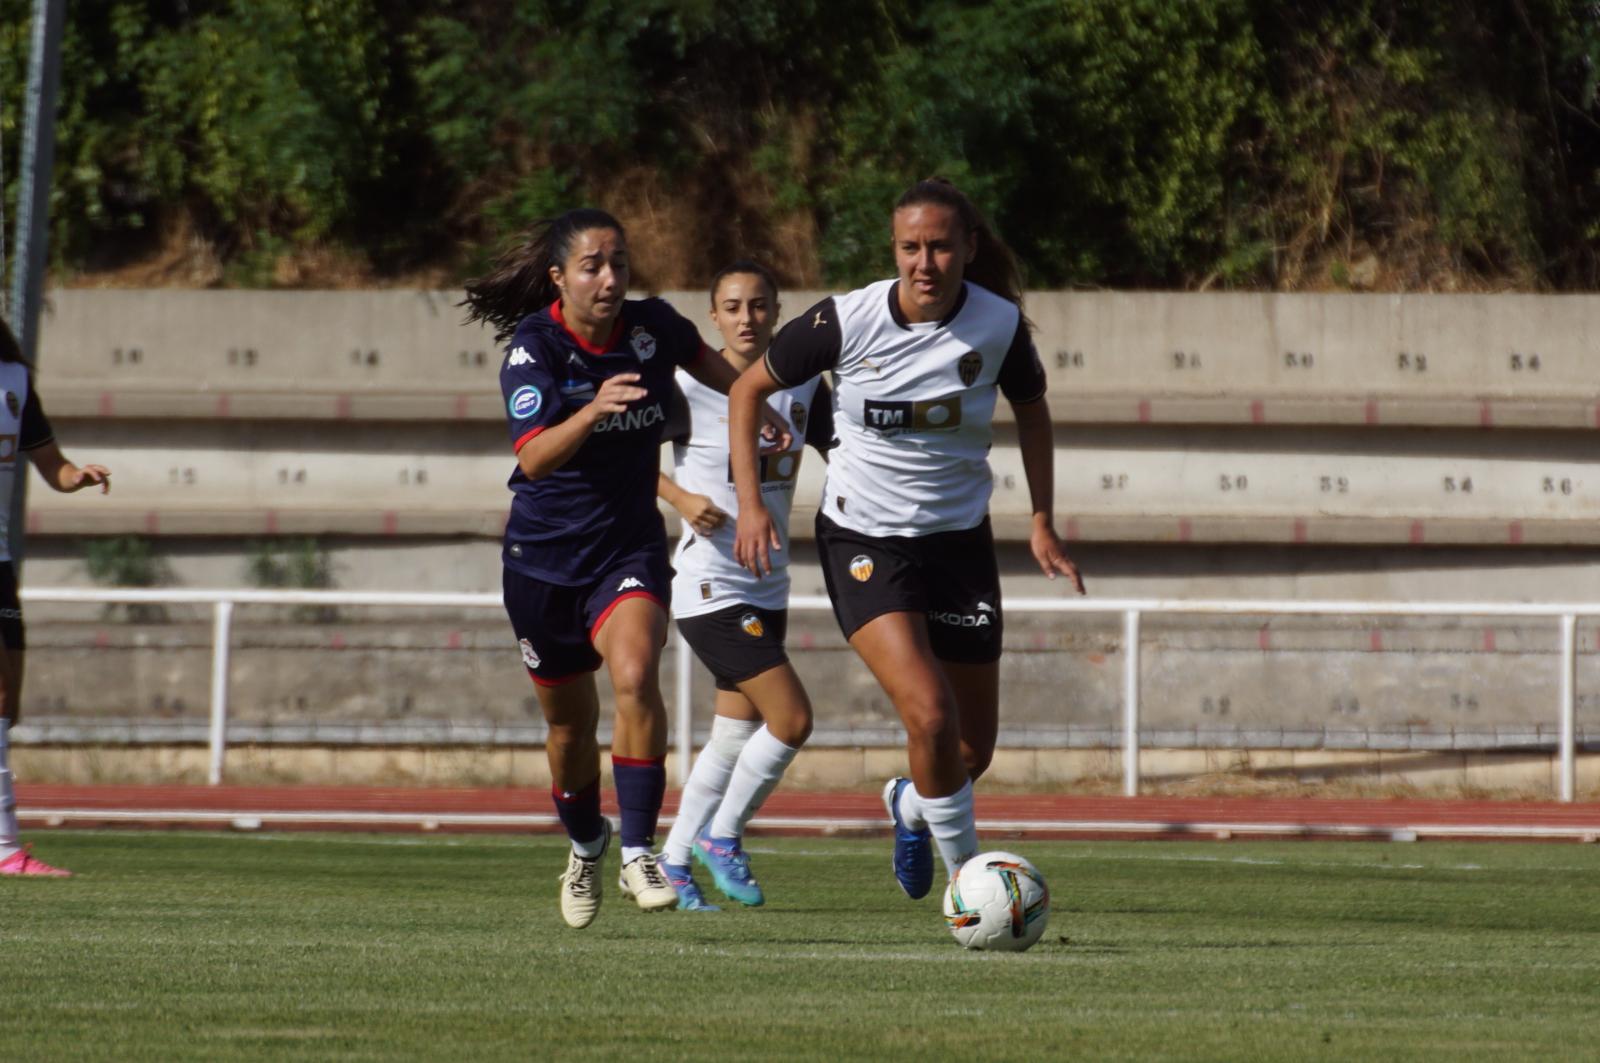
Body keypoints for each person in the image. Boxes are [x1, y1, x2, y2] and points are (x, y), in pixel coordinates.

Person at [729, 178, 1084, 901]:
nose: (925, 262)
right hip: (865, 538)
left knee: (966, 751)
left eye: (941, 245)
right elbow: (745, 391)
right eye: (910, 247)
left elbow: (1034, 411)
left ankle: (909, 805)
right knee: (928, 710)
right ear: (894, 251)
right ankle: (974, 890)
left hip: (959, 544)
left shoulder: (998, 324)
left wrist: (1041, 517)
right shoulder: (844, 321)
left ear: (969, 248)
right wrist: (750, 505)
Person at [462, 209, 787, 929]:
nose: (609, 279)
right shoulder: (535, 348)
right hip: (543, 563)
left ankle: (640, 848)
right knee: (570, 732)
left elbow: (726, 375)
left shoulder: (655, 329)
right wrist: (592, 411)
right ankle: (586, 847)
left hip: (627, 549)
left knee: (637, 674)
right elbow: (533, 456)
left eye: (619, 263)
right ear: (559, 277)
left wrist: (755, 406)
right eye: (591, 266)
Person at [655, 261, 832, 910]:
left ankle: (675, 859)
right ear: (714, 317)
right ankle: (722, 835)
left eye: (759, 305)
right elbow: (622, 452)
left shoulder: (807, 383)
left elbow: (843, 452)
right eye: (732, 307)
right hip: (709, 582)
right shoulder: (687, 383)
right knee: (792, 718)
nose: (746, 318)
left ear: (777, 311)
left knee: (732, 734)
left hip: (768, 582)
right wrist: (678, 495)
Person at [0, 316, 112, 877]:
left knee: (5, 707)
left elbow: (53, 468)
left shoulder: (14, 380)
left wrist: (79, 476)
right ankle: (5, 849)